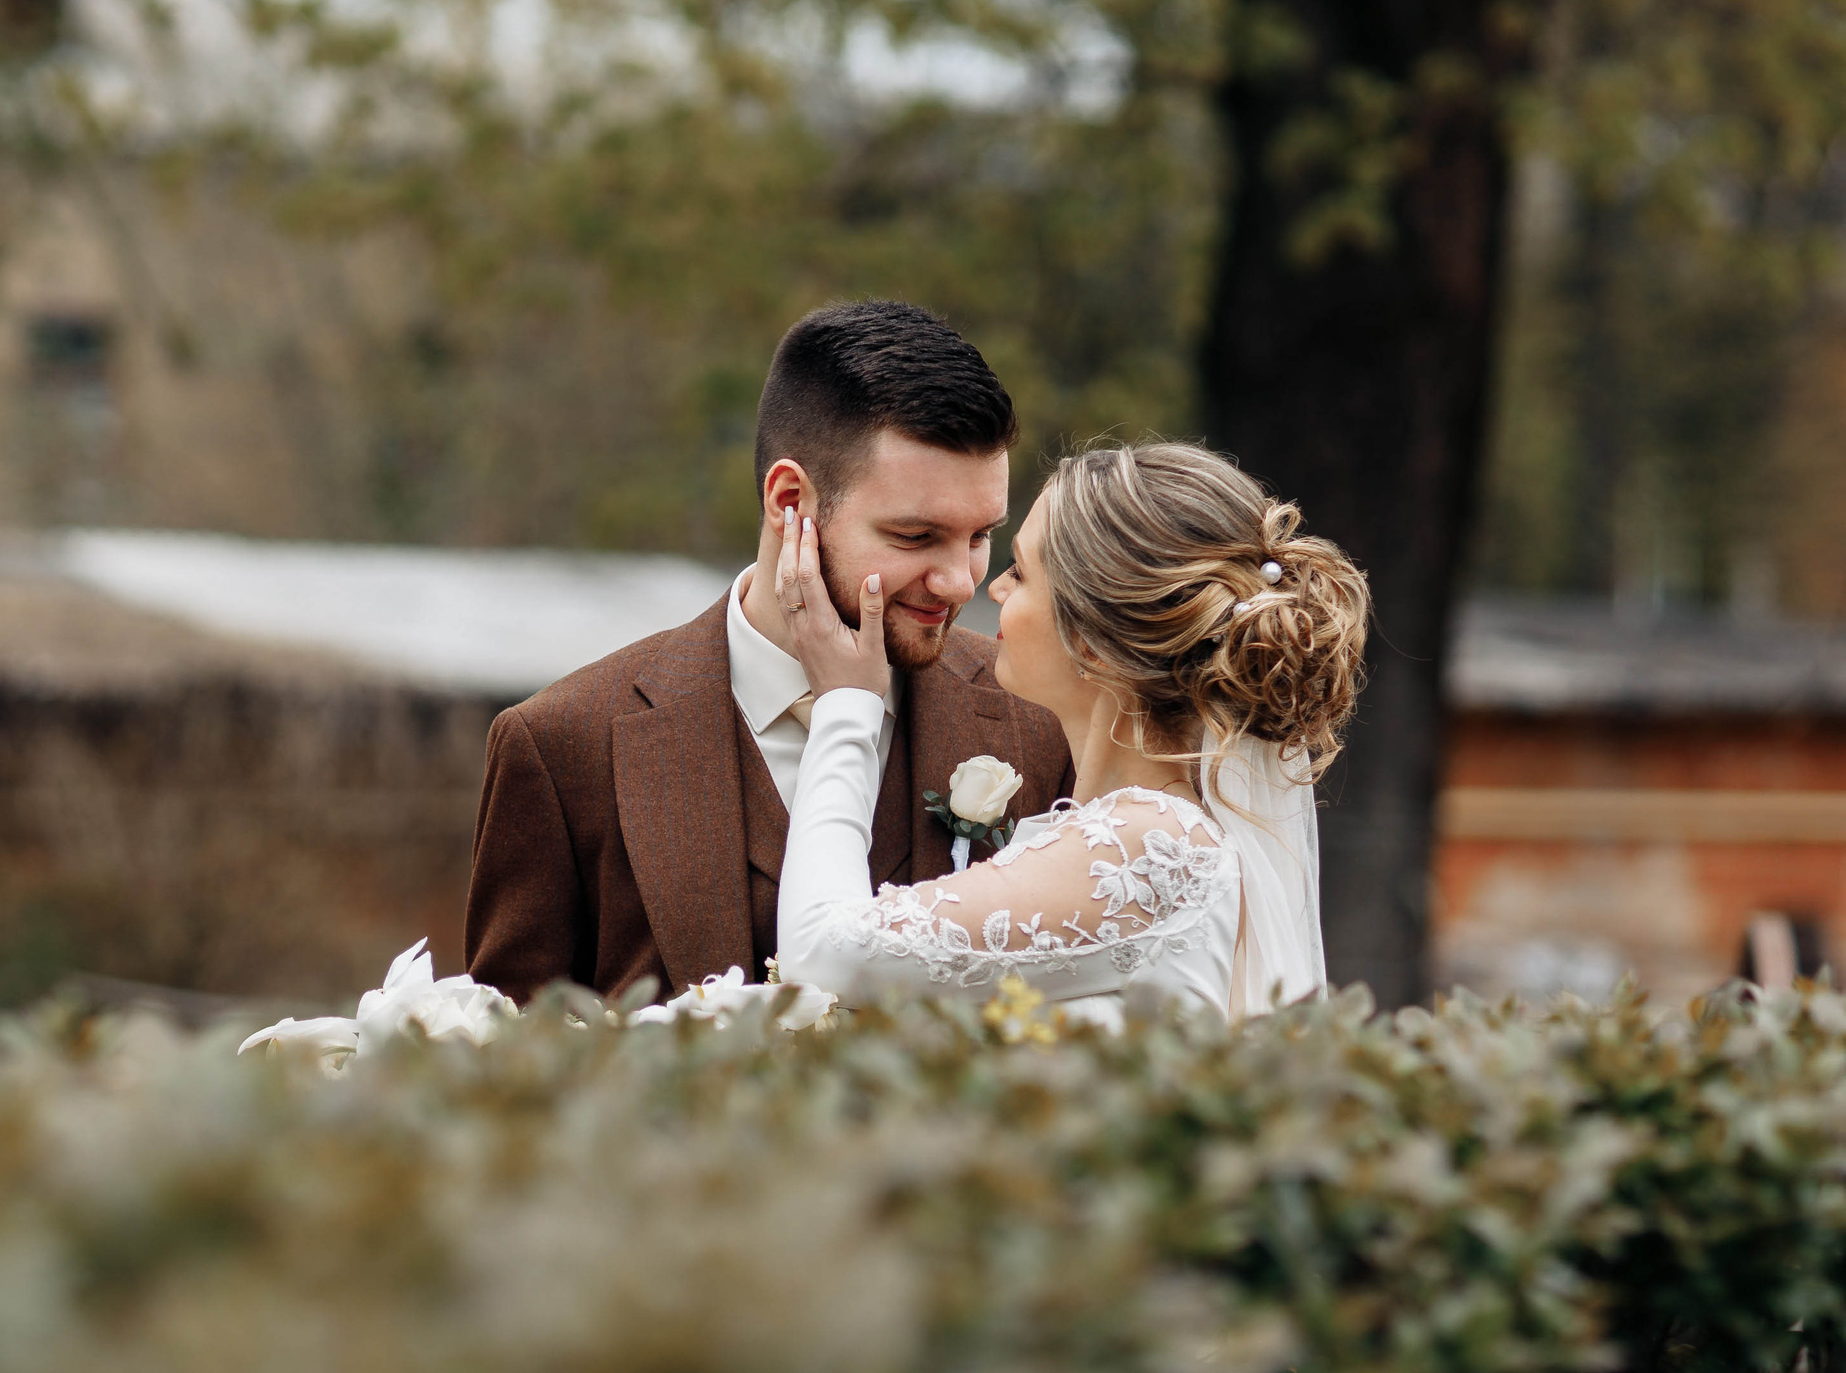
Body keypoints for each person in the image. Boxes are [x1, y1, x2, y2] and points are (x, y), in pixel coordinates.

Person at [464, 301, 1073, 1005]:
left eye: (979, 536)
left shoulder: (1038, 722)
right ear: (790, 501)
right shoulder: (562, 744)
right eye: (915, 536)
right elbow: (500, 1068)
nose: (960, 581)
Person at [774, 441, 1369, 1023]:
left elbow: (822, 948)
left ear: (1090, 639)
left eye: (1021, 571)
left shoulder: (1152, 843)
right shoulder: (1131, 828)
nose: (994, 588)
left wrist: (846, 704)